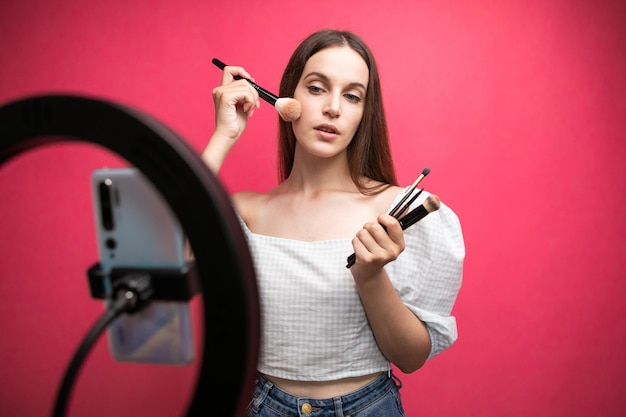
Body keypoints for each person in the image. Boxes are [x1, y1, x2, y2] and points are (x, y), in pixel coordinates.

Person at [203, 29, 464, 417]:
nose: (333, 108)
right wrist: (223, 135)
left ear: (364, 113)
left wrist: (371, 275)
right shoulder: (242, 212)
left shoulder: (399, 210)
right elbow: (165, 257)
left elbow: (410, 357)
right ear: (286, 99)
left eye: (352, 96)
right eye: (316, 88)